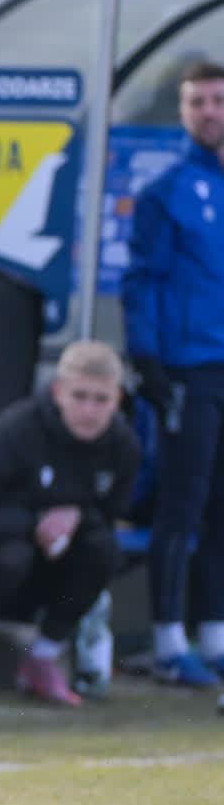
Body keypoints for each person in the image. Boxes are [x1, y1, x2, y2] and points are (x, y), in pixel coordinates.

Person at [0, 341, 140, 707]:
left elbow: (107, 514)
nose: (89, 410)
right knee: (10, 558)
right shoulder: (12, 433)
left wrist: (76, 515)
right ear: (57, 392)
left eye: (101, 399)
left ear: (117, 399)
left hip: (51, 566)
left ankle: (43, 656)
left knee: (103, 551)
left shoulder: (123, 447)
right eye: (79, 396)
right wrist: (34, 522)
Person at [122, 60, 224, 689]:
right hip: (188, 367)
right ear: (182, 112)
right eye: (197, 102)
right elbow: (142, 280)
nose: (209, 112)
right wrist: (147, 358)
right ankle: (166, 640)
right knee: (182, 504)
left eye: (217, 100)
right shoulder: (167, 191)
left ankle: (214, 635)